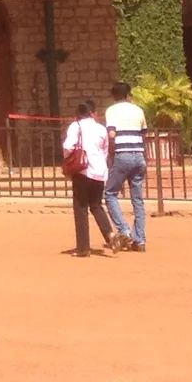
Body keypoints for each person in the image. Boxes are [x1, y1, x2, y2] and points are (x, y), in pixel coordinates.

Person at [61, 99, 114, 256]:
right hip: (99, 171)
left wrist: (69, 160)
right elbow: (105, 150)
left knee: (81, 208)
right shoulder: (101, 129)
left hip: (82, 171)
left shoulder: (75, 126)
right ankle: (110, 235)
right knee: (96, 205)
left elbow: (68, 147)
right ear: (93, 113)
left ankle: (83, 248)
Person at [103, 81, 148, 252]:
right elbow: (144, 132)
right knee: (137, 199)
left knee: (110, 193)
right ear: (129, 95)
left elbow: (112, 134)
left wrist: (110, 155)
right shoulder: (138, 110)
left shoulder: (112, 111)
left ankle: (124, 231)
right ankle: (140, 239)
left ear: (114, 96)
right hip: (139, 156)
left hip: (122, 155)